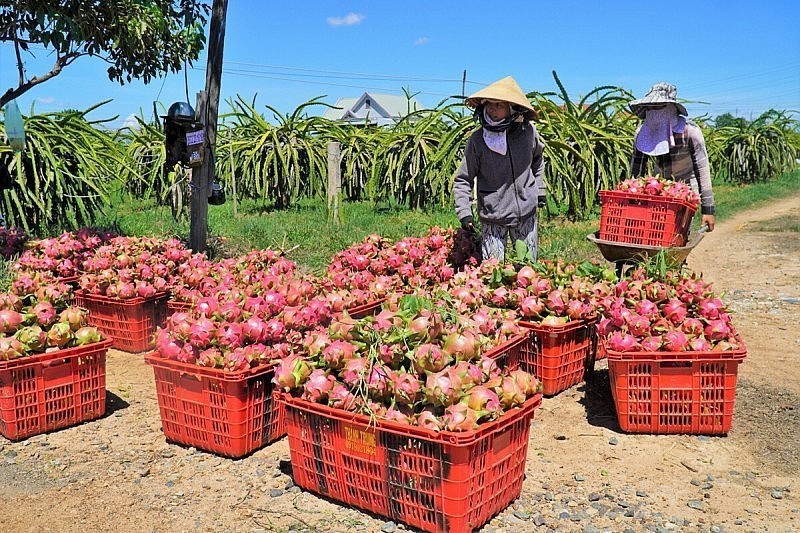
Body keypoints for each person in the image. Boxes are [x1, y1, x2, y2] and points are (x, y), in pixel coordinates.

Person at [453, 76, 546, 262]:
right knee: (492, 270)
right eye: (489, 105)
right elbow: (463, 179)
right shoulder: (478, 140)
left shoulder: (528, 133)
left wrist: (539, 190)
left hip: (526, 212)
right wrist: (464, 212)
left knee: (527, 268)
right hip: (493, 214)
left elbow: (538, 160)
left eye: (499, 105)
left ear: (511, 108)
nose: (493, 110)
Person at [629, 82, 716, 231]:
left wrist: (708, 209)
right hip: (656, 191)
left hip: (686, 193)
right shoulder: (643, 132)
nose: (653, 111)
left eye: (659, 107)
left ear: (672, 109)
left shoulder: (690, 132)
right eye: (650, 108)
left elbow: (702, 170)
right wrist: (632, 200)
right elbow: (636, 170)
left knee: (679, 234)